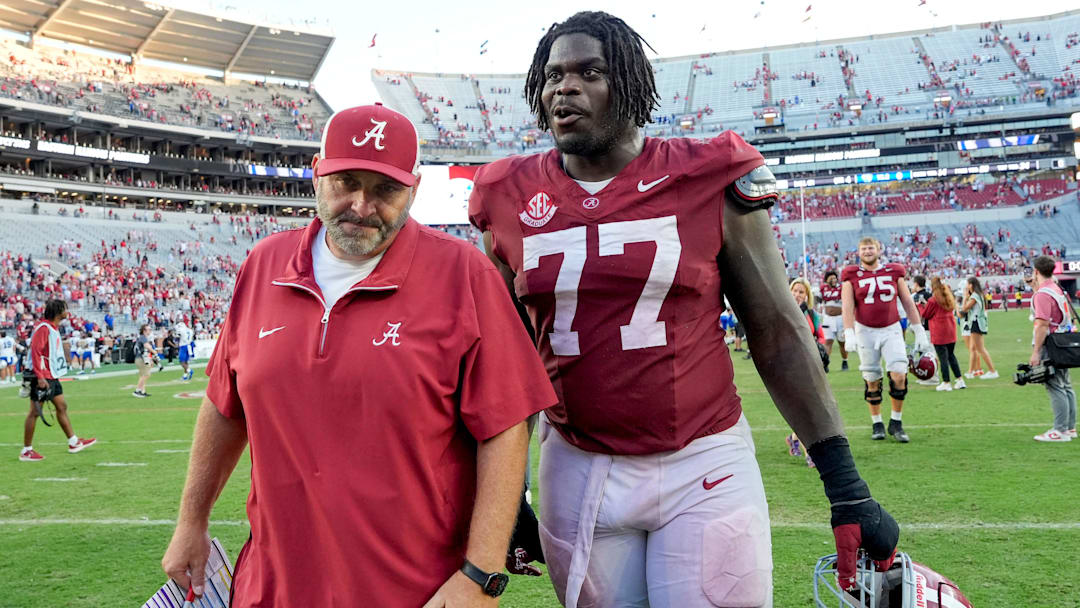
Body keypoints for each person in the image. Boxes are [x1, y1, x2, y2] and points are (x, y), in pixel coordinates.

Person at [469, 13, 898, 607]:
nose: (563, 88)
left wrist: (845, 484)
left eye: (588, 71)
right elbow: (506, 366)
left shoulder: (707, 172)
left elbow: (775, 328)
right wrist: (506, 496)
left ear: (630, 82)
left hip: (703, 459)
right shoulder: (504, 192)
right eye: (552, 75)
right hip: (576, 463)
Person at [162, 104, 556, 608]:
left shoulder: (464, 275)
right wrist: (191, 522)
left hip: (416, 590)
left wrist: (480, 575)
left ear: (413, 189)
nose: (362, 205)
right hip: (275, 585)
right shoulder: (263, 265)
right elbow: (224, 404)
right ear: (316, 174)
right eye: (346, 181)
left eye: (385, 190)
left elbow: (504, 429)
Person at [841, 237, 930, 443]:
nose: (868, 251)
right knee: (872, 379)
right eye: (864, 248)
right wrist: (849, 332)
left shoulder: (894, 271)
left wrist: (919, 330)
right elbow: (847, 306)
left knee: (899, 374)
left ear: (879, 250)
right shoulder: (851, 274)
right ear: (858, 252)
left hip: (891, 328)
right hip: (865, 330)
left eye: (871, 248)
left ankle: (896, 423)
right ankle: (877, 422)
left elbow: (907, 301)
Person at [19, 299, 97, 462]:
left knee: (62, 406)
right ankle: (26, 450)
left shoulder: (52, 328)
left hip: (51, 375)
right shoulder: (44, 328)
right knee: (34, 413)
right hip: (43, 376)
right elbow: (36, 351)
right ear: (58, 311)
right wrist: (40, 376)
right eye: (65, 309)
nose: (67, 311)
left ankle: (73, 442)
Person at [1028, 256, 1078, 442]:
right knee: (1066, 386)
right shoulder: (1057, 289)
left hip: (1051, 343)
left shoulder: (1043, 294)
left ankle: (1059, 430)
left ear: (1036, 271)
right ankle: (1069, 427)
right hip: (1063, 342)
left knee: (1055, 386)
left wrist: (1036, 352)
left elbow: (1042, 324)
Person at [786, 277, 825, 468]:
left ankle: (794, 438)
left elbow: (820, 336)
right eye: (795, 290)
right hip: (788, 365)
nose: (798, 295)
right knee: (805, 408)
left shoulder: (811, 314)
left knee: (807, 408)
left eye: (802, 292)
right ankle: (810, 452)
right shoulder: (782, 310)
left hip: (810, 364)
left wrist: (821, 353)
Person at [920, 277, 965, 392]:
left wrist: (920, 306)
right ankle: (960, 380)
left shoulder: (933, 300)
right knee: (951, 355)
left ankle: (946, 382)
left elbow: (926, 314)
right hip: (950, 330)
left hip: (939, 331)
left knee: (942, 358)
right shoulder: (948, 297)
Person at [959, 277, 999, 379]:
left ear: (971, 285)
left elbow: (964, 308)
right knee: (973, 348)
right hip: (977, 322)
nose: (966, 286)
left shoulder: (975, 296)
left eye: (967, 284)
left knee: (980, 349)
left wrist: (964, 297)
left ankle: (992, 371)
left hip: (976, 323)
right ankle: (971, 372)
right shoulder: (978, 295)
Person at [819, 269, 849, 371]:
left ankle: (845, 361)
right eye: (831, 278)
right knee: (828, 341)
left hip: (840, 318)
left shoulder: (842, 288)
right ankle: (825, 363)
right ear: (826, 280)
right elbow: (816, 300)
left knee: (842, 342)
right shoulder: (823, 289)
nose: (833, 280)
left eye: (835, 278)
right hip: (828, 319)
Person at [132, 324, 157, 398]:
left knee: (143, 375)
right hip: (141, 358)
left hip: (141, 358)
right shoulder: (143, 337)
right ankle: (137, 390)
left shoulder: (143, 337)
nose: (150, 331)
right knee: (146, 374)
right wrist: (154, 351)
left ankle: (143, 391)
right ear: (144, 330)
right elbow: (147, 346)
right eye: (148, 329)